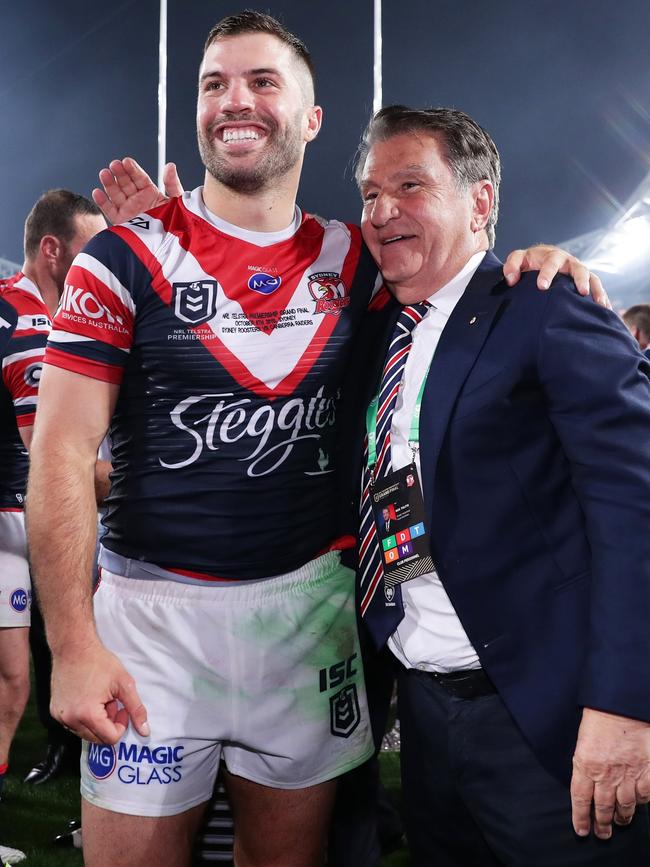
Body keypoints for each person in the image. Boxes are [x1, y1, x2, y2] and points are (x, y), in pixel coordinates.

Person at [27, 12, 605, 867]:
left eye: (264, 82)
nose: (236, 101)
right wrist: (72, 645)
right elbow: (62, 455)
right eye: (215, 83)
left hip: (307, 615)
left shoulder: (358, 255)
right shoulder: (121, 258)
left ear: (311, 117)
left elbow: (458, 294)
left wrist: (536, 265)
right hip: (151, 620)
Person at [350, 104, 650, 866]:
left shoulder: (546, 307)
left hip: (545, 720)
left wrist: (625, 706)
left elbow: (635, 511)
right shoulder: (385, 328)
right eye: (369, 193)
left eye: (410, 185)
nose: (382, 212)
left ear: (480, 202)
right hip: (425, 717)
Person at [0, 190, 105, 856]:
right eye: (89, 249)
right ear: (51, 249)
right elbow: (49, 451)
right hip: (10, 519)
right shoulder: (32, 322)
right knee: (12, 680)